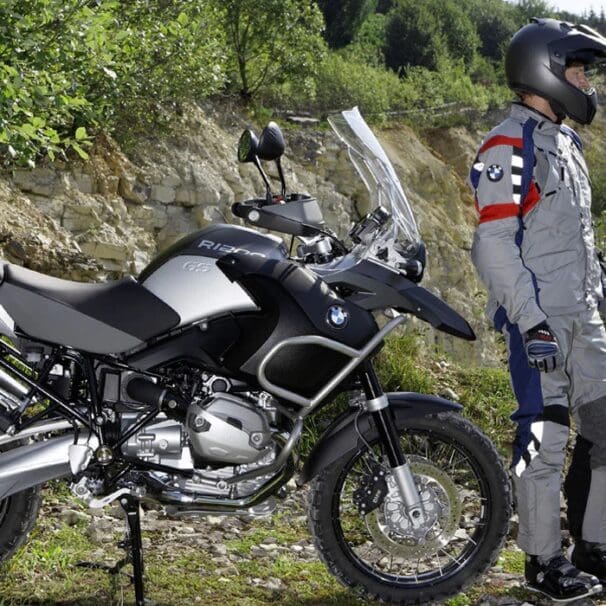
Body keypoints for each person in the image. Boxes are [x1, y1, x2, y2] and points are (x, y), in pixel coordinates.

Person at [469, 17, 606, 602]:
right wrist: (530, 320)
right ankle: (543, 563)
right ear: (543, 71)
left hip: (585, 319)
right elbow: (492, 244)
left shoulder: (565, 143)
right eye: (577, 70)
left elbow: (575, 237)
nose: (585, 82)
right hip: (542, 323)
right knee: (545, 442)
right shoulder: (509, 145)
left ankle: (596, 548)